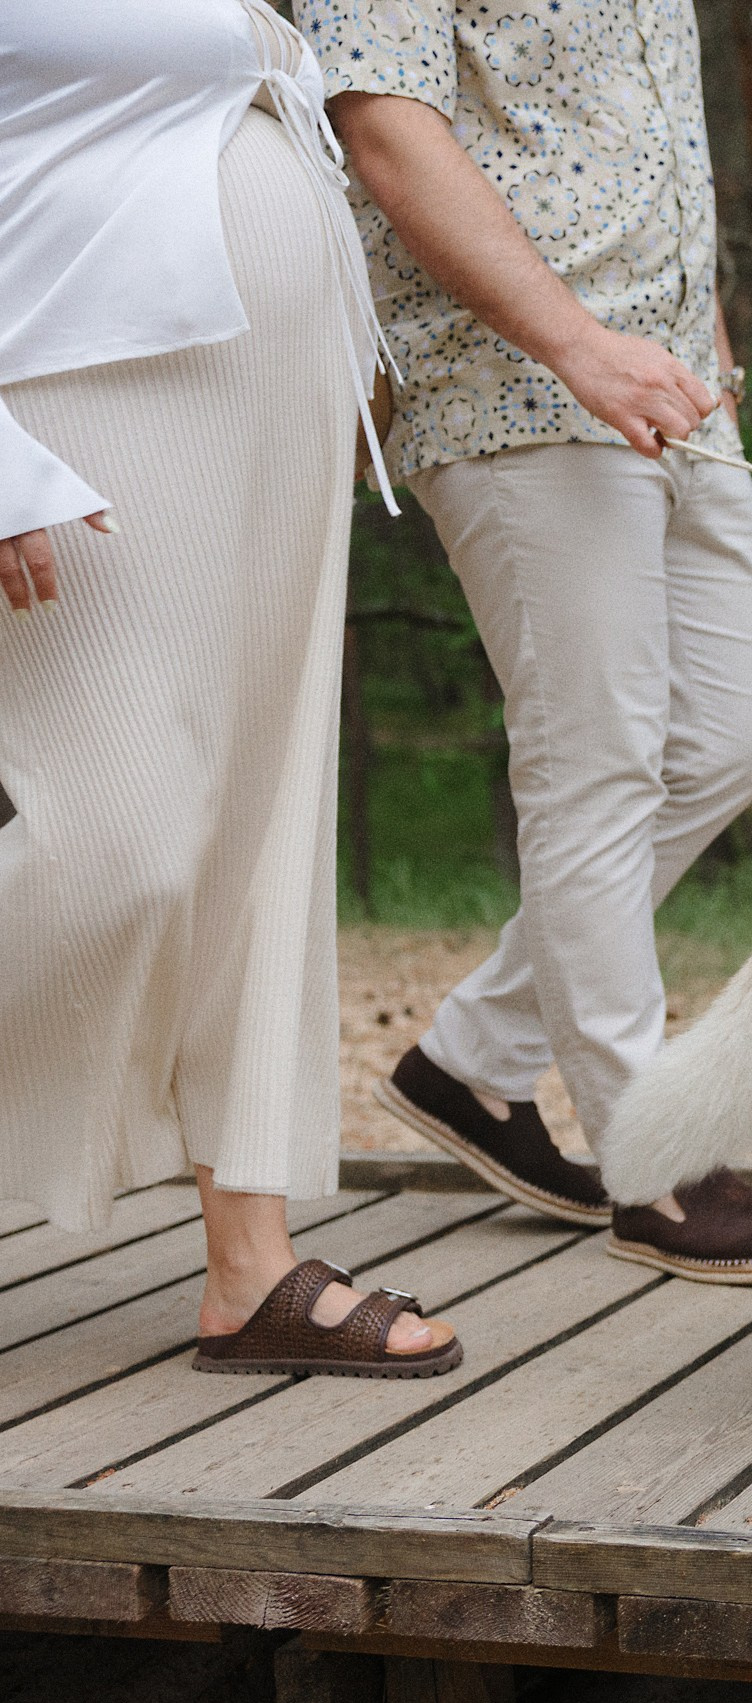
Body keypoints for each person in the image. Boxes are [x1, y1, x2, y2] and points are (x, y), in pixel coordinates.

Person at [302, 0, 752, 1283]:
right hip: (511, 382)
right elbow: (386, 130)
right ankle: (653, 1153)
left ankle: (471, 1061)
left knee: (725, 745)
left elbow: (662, 159)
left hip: (679, 391)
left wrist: (709, 365)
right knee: (600, 762)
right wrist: (581, 347)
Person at [0, 0, 457, 1375]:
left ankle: (248, 1263)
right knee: (112, 843)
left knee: (255, 829)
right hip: (72, 394)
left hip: (264, 401)